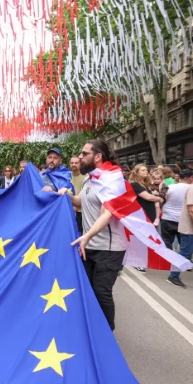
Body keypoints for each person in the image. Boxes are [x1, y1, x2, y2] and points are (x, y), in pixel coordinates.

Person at [69, 140, 128, 331]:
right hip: (89, 246)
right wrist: (63, 195)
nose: (79, 157)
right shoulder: (90, 179)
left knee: (101, 292)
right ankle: (93, 330)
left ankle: (106, 334)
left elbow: (107, 214)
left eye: (84, 153)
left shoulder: (113, 179)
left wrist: (87, 236)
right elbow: (80, 202)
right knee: (88, 292)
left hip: (108, 249)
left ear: (97, 156)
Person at [129, 164, 164, 274]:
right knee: (140, 239)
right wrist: (159, 198)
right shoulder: (135, 184)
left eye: (146, 170)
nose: (146, 171)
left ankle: (140, 260)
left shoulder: (145, 184)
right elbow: (148, 197)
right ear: (136, 172)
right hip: (141, 216)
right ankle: (137, 262)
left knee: (145, 239)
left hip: (148, 215)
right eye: (143, 170)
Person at [160, 170, 193, 250]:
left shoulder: (171, 187)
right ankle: (182, 261)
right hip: (184, 220)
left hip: (167, 218)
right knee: (184, 244)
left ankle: (167, 261)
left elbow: (163, 199)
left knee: (166, 242)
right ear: (190, 178)